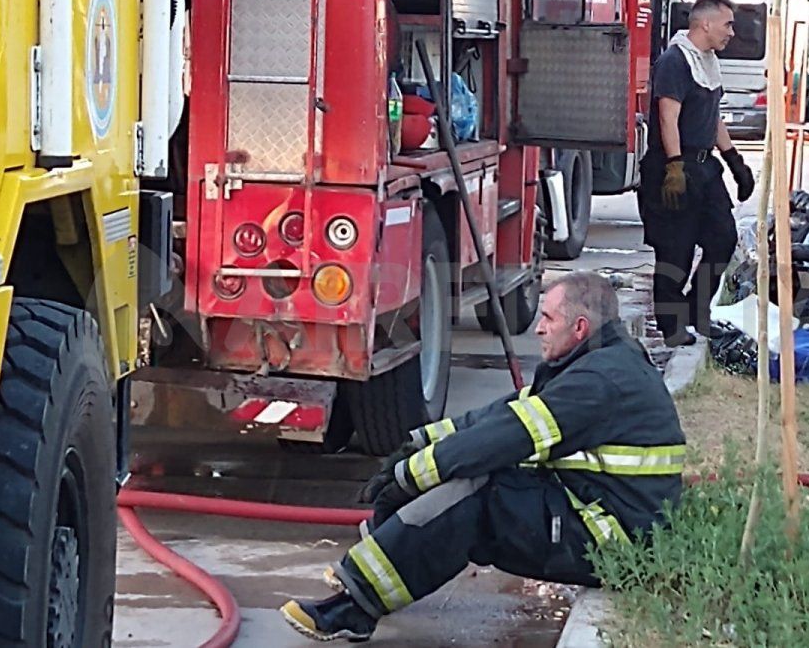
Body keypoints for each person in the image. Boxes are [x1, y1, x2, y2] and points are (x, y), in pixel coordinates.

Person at [280, 272, 686, 642]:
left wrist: (411, 476)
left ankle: (357, 605)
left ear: (579, 328)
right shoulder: (599, 360)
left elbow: (507, 436)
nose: (539, 328)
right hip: (597, 513)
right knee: (468, 470)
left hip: (612, 544)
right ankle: (388, 556)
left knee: (478, 492)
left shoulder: (598, 380)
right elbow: (505, 414)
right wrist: (421, 443)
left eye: (547, 318)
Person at [638, 0, 756, 349]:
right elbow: (667, 115)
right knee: (675, 250)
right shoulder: (675, 60)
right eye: (727, 24)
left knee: (723, 239)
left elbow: (712, 116)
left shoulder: (708, 61)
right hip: (673, 166)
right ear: (705, 23)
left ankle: (695, 310)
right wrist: (674, 167)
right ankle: (672, 325)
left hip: (706, 168)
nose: (732, 32)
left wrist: (735, 161)